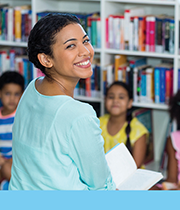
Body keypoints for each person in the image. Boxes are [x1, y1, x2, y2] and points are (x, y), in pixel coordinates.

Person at [9, 13, 115, 190]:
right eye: (71, 46)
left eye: (86, 41)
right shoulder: (80, 115)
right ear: (46, 59)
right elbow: (100, 186)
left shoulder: (32, 88)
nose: (86, 51)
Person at [100, 81, 148, 168]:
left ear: (130, 103)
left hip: (129, 178)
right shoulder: (98, 123)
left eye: (121, 97)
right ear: (105, 100)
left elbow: (135, 167)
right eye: (111, 97)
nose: (115, 101)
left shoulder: (139, 131)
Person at [0, 71, 24, 190]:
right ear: (0, 93)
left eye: (16, 94)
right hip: (2, 159)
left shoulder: (20, 116)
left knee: (6, 169)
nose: (12, 98)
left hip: (17, 158)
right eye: (7, 93)